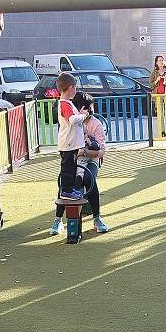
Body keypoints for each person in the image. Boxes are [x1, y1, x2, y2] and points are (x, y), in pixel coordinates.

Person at [50, 92, 110, 235]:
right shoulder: (73, 123)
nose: (90, 111)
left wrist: (84, 152)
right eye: (88, 108)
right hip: (75, 159)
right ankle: (58, 219)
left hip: (90, 159)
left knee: (89, 179)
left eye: (91, 108)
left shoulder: (95, 124)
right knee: (66, 182)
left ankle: (97, 218)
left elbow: (100, 151)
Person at [55, 72, 87, 202]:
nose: (76, 91)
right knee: (67, 168)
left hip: (71, 143)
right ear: (71, 88)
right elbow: (73, 119)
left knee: (71, 167)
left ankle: (69, 189)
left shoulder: (68, 103)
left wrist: (79, 114)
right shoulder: (65, 104)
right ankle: (66, 191)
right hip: (68, 143)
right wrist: (83, 116)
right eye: (75, 88)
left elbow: (73, 117)